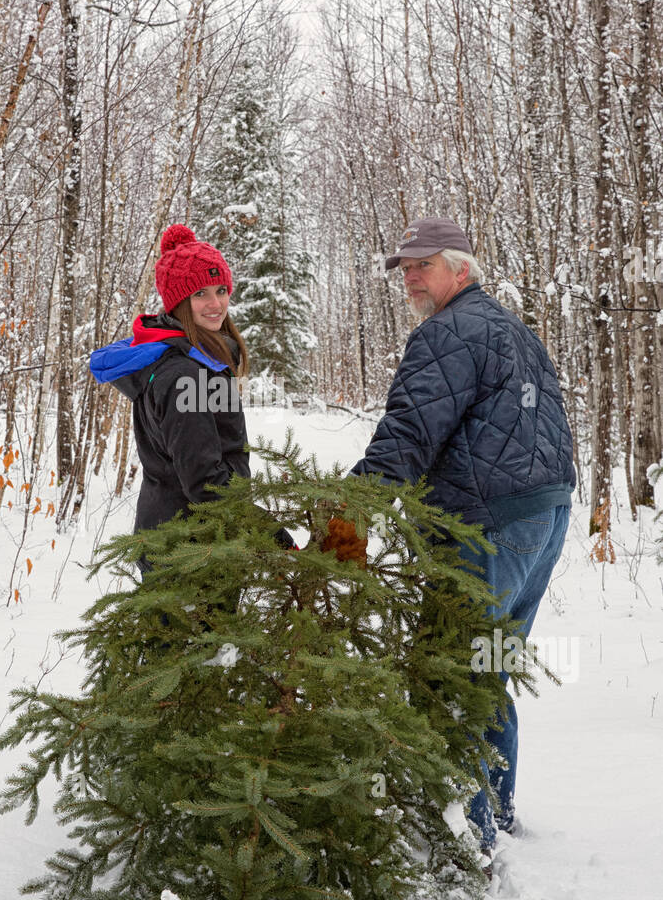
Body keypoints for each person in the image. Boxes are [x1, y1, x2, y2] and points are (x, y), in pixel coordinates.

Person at [349, 218, 576, 858]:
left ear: (462, 270)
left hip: (490, 526)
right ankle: (495, 814)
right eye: (406, 268)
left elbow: (408, 431)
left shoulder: (447, 333)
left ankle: (462, 843)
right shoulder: (515, 331)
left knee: (450, 675)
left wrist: (350, 508)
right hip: (544, 518)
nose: (412, 279)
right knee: (488, 667)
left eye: (424, 266)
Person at [90, 223, 293, 576]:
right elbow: (206, 483)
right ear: (179, 302)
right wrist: (270, 534)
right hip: (188, 551)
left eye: (221, 290)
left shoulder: (201, 361)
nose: (216, 304)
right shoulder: (185, 376)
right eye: (200, 294)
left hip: (195, 541)